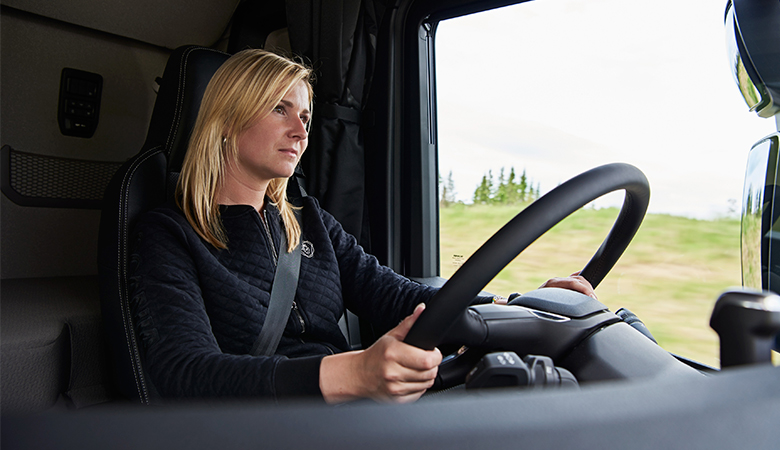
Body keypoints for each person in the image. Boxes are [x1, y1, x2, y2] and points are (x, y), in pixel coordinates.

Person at [129, 49, 596, 405]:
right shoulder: (169, 234)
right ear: (227, 119)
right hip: (268, 426)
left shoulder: (310, 221)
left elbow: (396, 296)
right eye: (280, 109)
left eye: (305, 116)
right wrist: (353, 373)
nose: (301, 132)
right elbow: (185, 370)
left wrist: (518, 305)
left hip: (352, 411)